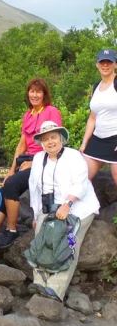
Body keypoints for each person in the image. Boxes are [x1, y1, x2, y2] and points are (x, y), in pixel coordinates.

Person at [28, 121, 100, 301]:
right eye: (45, 139)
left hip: (77, 206)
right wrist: (36, 214)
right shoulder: (38, 159)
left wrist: (67, 204)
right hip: (49, 207)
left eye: (53, 137)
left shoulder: (74, 156)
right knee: (40, 239)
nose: (50, 142)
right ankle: (39, 282)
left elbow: (81, 183)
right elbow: (34, 188)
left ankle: (55, 288)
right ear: (41, 143)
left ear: (61, 138)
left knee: (67, 242)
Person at [0, 78, 62, 248]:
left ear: (44, 94)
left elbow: (54, 141)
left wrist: (35, 163)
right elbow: (22, 143)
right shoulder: (28, 115)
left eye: (38, 92)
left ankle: (11, 230)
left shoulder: (51, 111)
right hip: (27, 159)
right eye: (32, 91)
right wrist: (11, 169)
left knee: (12, 185)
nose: (34, 95)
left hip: (45, 160)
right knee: (5, 187)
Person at [80, 49, 117, 185]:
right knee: (81, 179)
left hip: (115, 138)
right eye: (102, 62)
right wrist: (84, 143)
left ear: (115, 64)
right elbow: (92, 118)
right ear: (97, 64)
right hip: (98, 139)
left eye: (109, 62)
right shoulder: (96, 86)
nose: (105, 65)